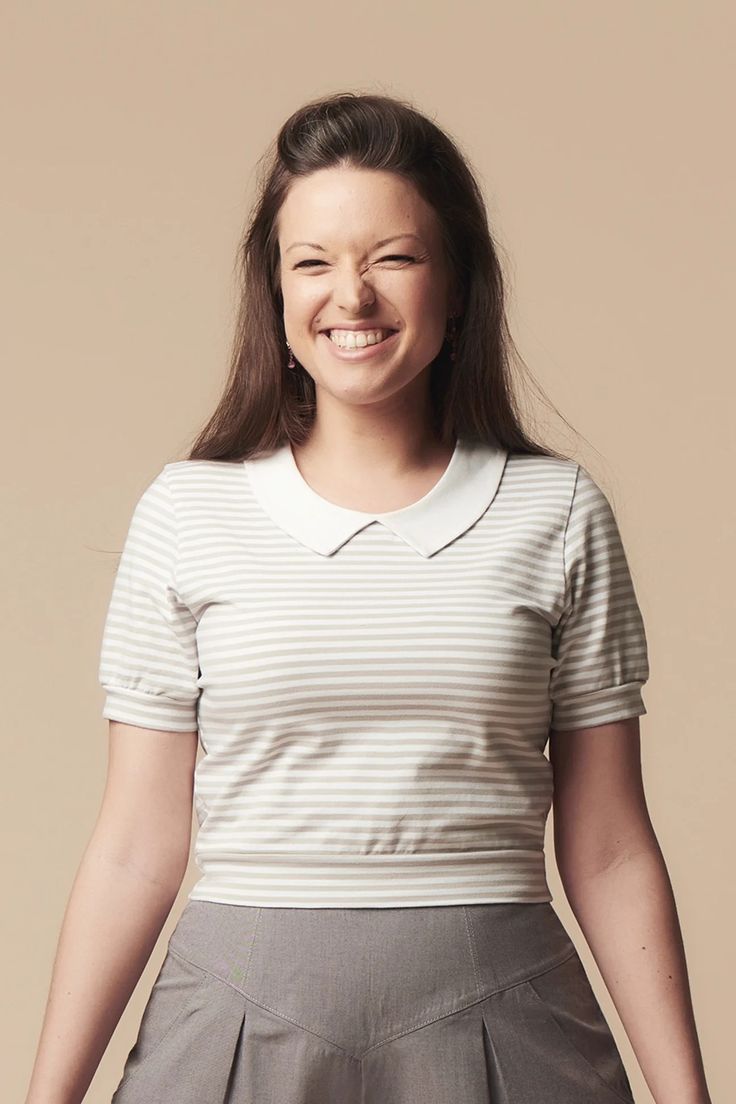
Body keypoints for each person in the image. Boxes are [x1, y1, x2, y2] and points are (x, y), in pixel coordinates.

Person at [25, 91, 712, 1104]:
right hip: (232, 1014)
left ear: (457, 284)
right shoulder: (187, 513)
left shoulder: (555, 512)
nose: (351, 294)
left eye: (392, 256)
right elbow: (134, 846)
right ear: (275, 294)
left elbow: (608, 846)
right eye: (311, 262)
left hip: (507, 1014)